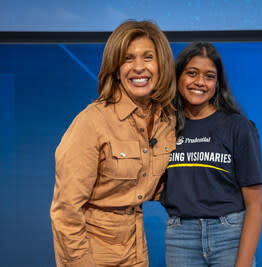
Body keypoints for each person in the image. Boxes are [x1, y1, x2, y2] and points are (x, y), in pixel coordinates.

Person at [50, 20, 176, 267]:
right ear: (116, 69)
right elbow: (66, 212)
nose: (139, 67)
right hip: (92, 254)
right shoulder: (92, 122)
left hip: (136, 250)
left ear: (161, 65)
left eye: (148, 57)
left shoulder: (168, 121)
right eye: (128, 59)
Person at [160, 42, 262, 267]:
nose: (200, 82)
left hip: (229, 235)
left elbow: (256, 205)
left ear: (217, 83)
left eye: (209, 76)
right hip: (180, 237)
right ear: (178, 77)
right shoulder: (163, 127)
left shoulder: (238, 127)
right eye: (192, 73)